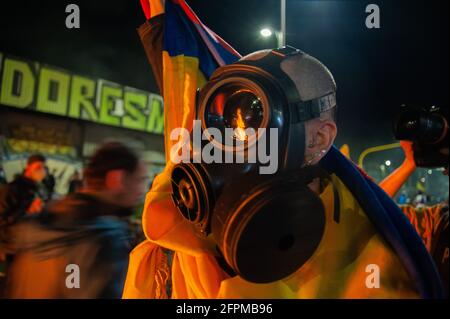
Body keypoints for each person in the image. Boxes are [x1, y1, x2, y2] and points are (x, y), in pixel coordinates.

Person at [123, 0, 444, 299]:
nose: (232, 139)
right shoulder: (163, 256)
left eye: (254, 116)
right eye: (221, 120)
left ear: (319, 140)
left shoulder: (378, 267)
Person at [5, 142, 148, 298]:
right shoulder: (103, 240)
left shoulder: (42, 224)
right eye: (140, 180)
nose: (142, 191)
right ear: (117, 179)